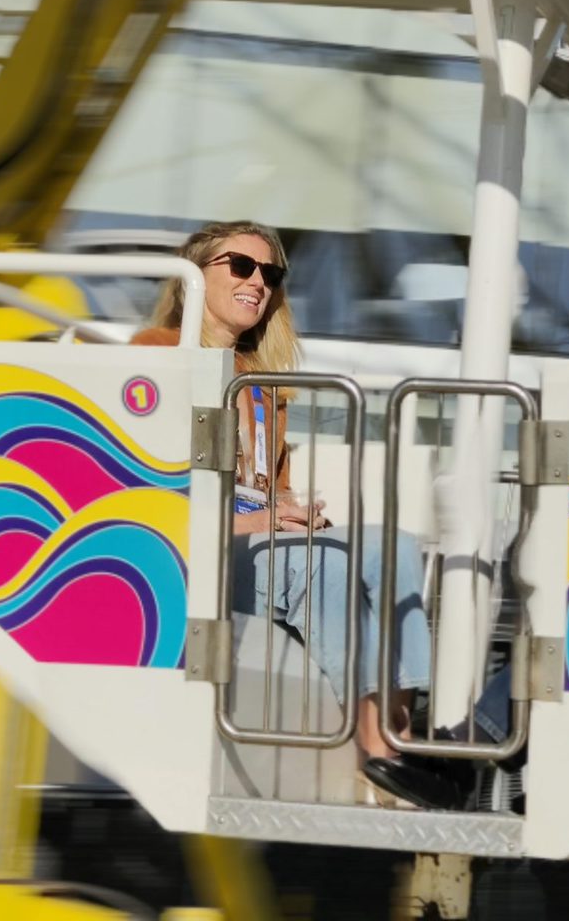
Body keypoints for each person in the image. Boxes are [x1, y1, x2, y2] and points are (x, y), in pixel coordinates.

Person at [133, 220, 459, 808]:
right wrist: (249, 522)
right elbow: (147, 491)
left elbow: (262, 486)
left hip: (252, 540)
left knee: (395, 544)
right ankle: (376, 753)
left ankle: (397, 737)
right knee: (326, 567)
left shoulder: (260, 379)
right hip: (197, 547)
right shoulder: (157, 355)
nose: (258, 282)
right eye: (241, 267)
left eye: (271, 274)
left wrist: (285, 508)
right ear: (193, 275)